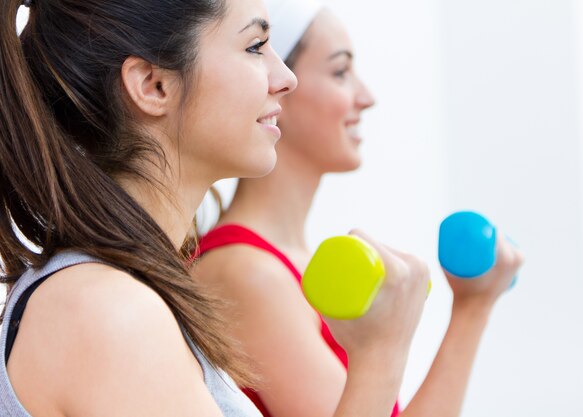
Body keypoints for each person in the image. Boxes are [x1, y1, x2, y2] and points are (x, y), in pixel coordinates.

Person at [0, 0, 429, 416]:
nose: (284, 78)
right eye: (255, 47)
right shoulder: (107, 311)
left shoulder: (118, 298)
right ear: (154, 86)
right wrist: (380, 354)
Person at [192, 1, 525, 416]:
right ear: (281, 90)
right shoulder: (245, 273)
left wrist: (474, 306)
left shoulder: (283, 265)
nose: (366, 98)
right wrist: (471, 310)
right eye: (339, 72)